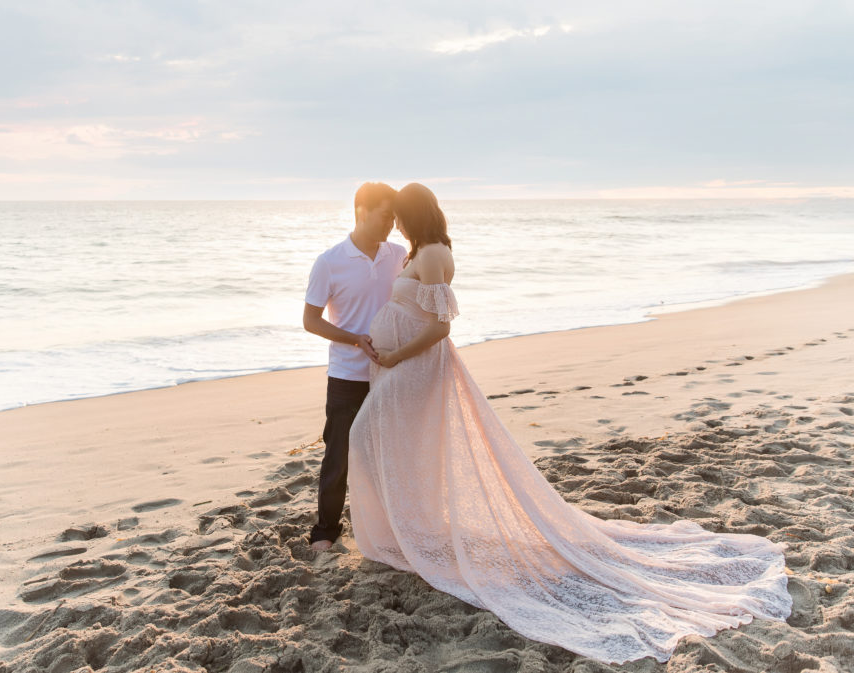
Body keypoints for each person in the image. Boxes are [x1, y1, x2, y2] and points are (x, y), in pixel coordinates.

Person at [346, 183, 792, 664]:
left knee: (363, 435)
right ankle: (412, 527)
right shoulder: (423, 250)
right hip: (400, 366)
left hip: (413, 366)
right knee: (397, 445)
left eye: (402, 216)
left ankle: (407, 530)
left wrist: (394, 355)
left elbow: (440, 327)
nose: (398, 225)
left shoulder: (433, 254)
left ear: (415, 216)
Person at [303, 182, 406, 552]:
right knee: (339, 457)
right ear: (362, 212)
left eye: (395, 218)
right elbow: (311, 321)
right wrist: (355, 339)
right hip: (347, 375)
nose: (391, 224)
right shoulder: (329, 261)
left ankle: (392, 528)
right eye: (385, 216)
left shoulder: (399, 255)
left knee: (389, 455)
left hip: (392, 373)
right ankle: (326, 532)